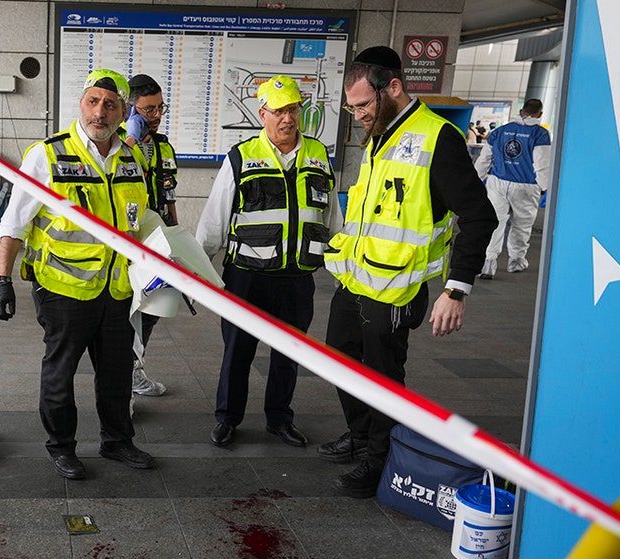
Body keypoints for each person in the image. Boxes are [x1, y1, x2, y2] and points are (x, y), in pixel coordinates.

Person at [319, 46, 497, 498]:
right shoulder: (380, 134)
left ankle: (379, 461)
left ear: (393, 88)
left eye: (362, 105)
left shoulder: (438, 139)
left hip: (397, 288)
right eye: (351, 106)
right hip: (355, 280)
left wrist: (455, 290)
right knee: (339, 360)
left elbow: (479, 216)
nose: (356, 114)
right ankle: (361, 438)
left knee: (382, 376)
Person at [0, 68, 156, 480]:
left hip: (117, 292)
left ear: (123, 111)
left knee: (117, 375)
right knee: (60, 375)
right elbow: (14, 221)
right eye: (93, 101)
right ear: (81, 104)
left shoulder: (132, 159)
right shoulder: (46, 155)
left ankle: (117, 440)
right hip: (64, 291)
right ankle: (61, 446)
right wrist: (2, 280)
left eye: (110, 104)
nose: (100, 111)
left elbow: (139, 223)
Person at [197, 75, 335, 449]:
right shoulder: (241, 157)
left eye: (292, 109)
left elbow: (331, 219)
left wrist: (342, 269)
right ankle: (227, 419)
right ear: (263, 113)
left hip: (297, 277)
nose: (287, 119)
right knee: (238, 350)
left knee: (289, 353)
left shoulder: (319, 156)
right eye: (278, 111)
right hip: (246, 276)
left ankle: (279, 419)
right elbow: (214, 221)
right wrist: (197, 273)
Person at [121, 73, 178, 400]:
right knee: (126, 314)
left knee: (154, 309)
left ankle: (135, 368)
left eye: (160, 108)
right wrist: (130, 139)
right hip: (127, 244)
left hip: (158, 242)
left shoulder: (164, 146)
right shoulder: (116, 143)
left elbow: (169, 198)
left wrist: (176, 240)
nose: (156, 116)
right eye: (147, 110)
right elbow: (112, 171)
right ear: (130, 110)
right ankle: (123, 382)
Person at [473, 98, 551, 278]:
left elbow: (484, 159)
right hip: (526, 185)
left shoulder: (499, 131)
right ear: (540, 114)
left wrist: (477, 180)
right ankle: (516, 261)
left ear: (521, 111)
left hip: (497, 183)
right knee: (522, 225)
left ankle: (488, 263)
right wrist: (546, 188)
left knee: (495, 223)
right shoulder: (540, 135)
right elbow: (542, 165)